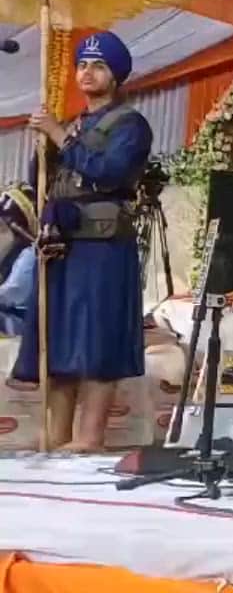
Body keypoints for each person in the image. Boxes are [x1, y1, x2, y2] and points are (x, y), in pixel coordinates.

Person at [11, 32, 153, 451]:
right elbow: (46, 182)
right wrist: (44, 148)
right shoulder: (73, 124)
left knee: (97, 339)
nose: (87, 73)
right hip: (63, 244)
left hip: (103, 247)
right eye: (83, 65)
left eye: (99, 66)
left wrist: (58, 135)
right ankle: (57, 435)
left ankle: (89, 437)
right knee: (59, 341)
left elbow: (109, 172)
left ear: (116, 76)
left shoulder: (131, 125)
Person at [0, 184, 37, 335]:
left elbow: (14, 291)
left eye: (1, 227)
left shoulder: (30, 255)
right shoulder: (7, 253)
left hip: (20, 326)